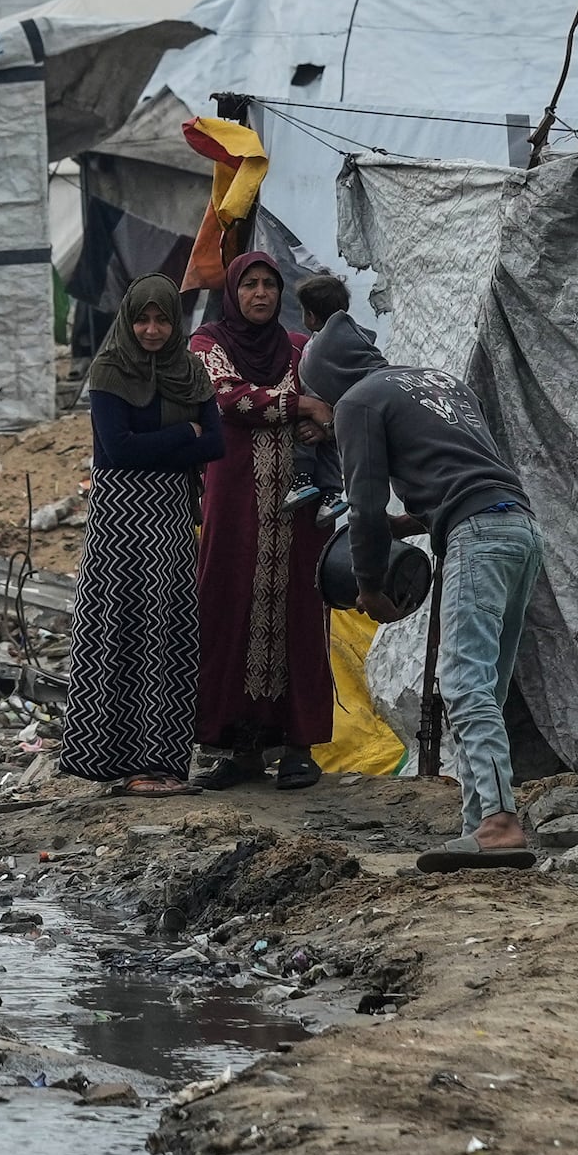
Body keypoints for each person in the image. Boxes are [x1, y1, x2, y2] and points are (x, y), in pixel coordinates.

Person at [335, 361, 539, 850]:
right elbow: (464, 473)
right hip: (520, 527)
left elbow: (363, 506)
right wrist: (412, 522)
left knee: (466, 683)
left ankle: (499, 820)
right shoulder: (441, 383)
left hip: (476, 537)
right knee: (483, 686)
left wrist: (368, 584)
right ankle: (478, 827)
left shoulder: (355, 401)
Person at [56, 277, 221, 796]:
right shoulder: (109, 370)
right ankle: (115, 762)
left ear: (176, 322)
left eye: (163, 319)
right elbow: (117, 448)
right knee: (121, 630)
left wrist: (180, 442)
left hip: (170, 518)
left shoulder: (191, 371)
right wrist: (182, 436)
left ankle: (163, 764)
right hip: (120, 522)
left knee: (168, 632)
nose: (152, 330)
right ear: (128, 320)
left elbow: (216, 444)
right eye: (142, 320)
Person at [189, 252, 336, 790]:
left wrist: (324, 423)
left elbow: (337, 401)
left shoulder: (302, 348)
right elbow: (230, 399)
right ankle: (237, 747)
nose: (260, 294)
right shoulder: (207, 342)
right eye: (249, 284)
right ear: (233, 291)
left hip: (300, 510)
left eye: (269, 285)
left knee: (300, 610)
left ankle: (298, 746)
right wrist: (305, 408)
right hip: (235, 507)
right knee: (228, 609)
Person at [290, 273, 369, 506]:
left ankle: (302, 481)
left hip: (315, 404)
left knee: (303, 438)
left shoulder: (317, 343)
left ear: (311, 316)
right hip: (340, 410)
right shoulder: (356, 339)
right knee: (331, 451)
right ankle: (332, 494)